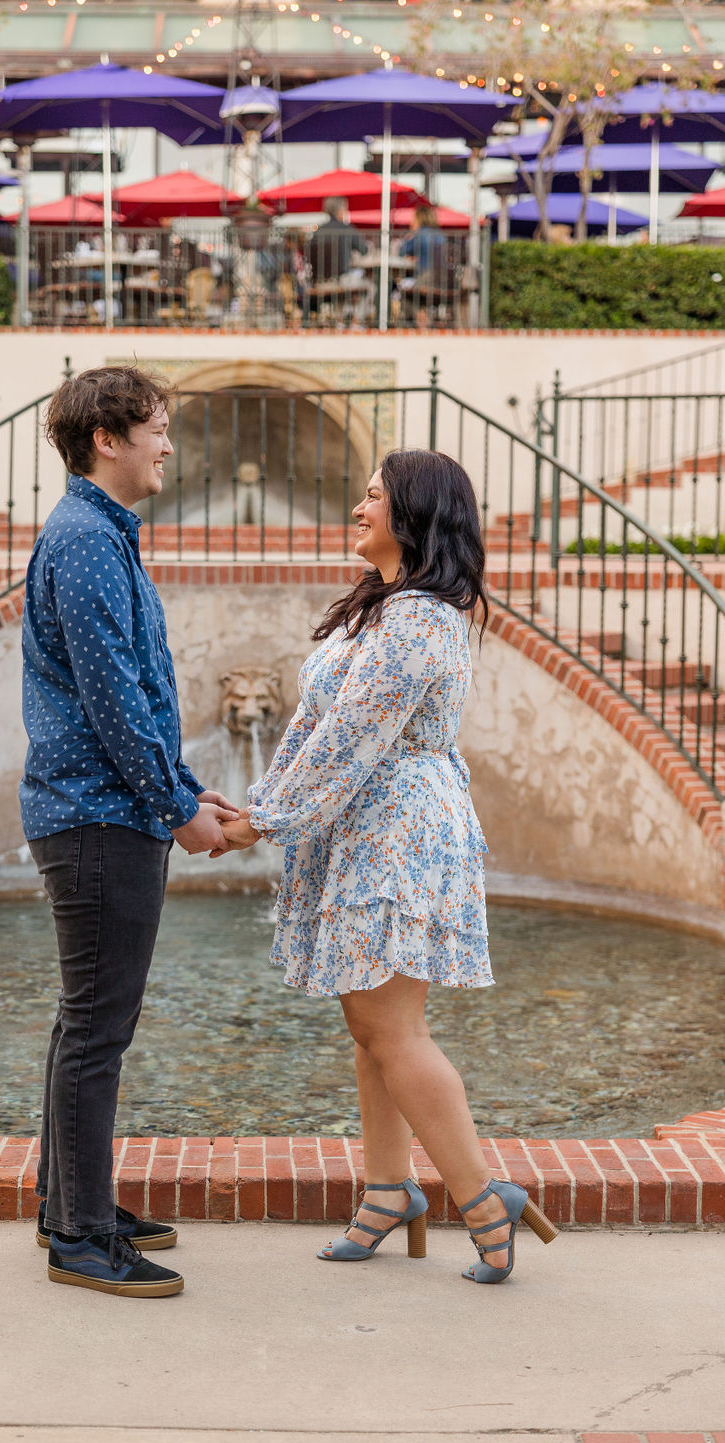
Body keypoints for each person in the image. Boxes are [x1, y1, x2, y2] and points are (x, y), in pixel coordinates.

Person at [216, 450, 560, 1284]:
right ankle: (387, 1190)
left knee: (392, 1028)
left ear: (414, 516)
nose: (359, 506)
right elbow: (309, 729)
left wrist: (259, 823)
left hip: (399, 831)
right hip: (361, 828)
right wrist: (252, 804)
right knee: (368, 1026)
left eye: (374, 495)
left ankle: (482, 1199)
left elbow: (352, 742)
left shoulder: (420, 621)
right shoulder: (374, 612)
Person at [20, 366, 238, 1298]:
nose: (167, 445)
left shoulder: (99, 535)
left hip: (107, 813)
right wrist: (178, 811)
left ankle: (75, 1209)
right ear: (107, 439)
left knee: (86, 1022)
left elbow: (142, 693)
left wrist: (190, 789)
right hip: (98, 820)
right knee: (98, 1031)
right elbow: (113, 700)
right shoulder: (86, 542)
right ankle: (79, 1236)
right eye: (155, 429)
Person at [307, 196, 366, 288]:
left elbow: (309, 254)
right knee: (370, 285)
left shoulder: (318, 231)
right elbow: (364, 249)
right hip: (342, 280)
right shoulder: (347, 229)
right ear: (341, 210)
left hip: (319, 281)